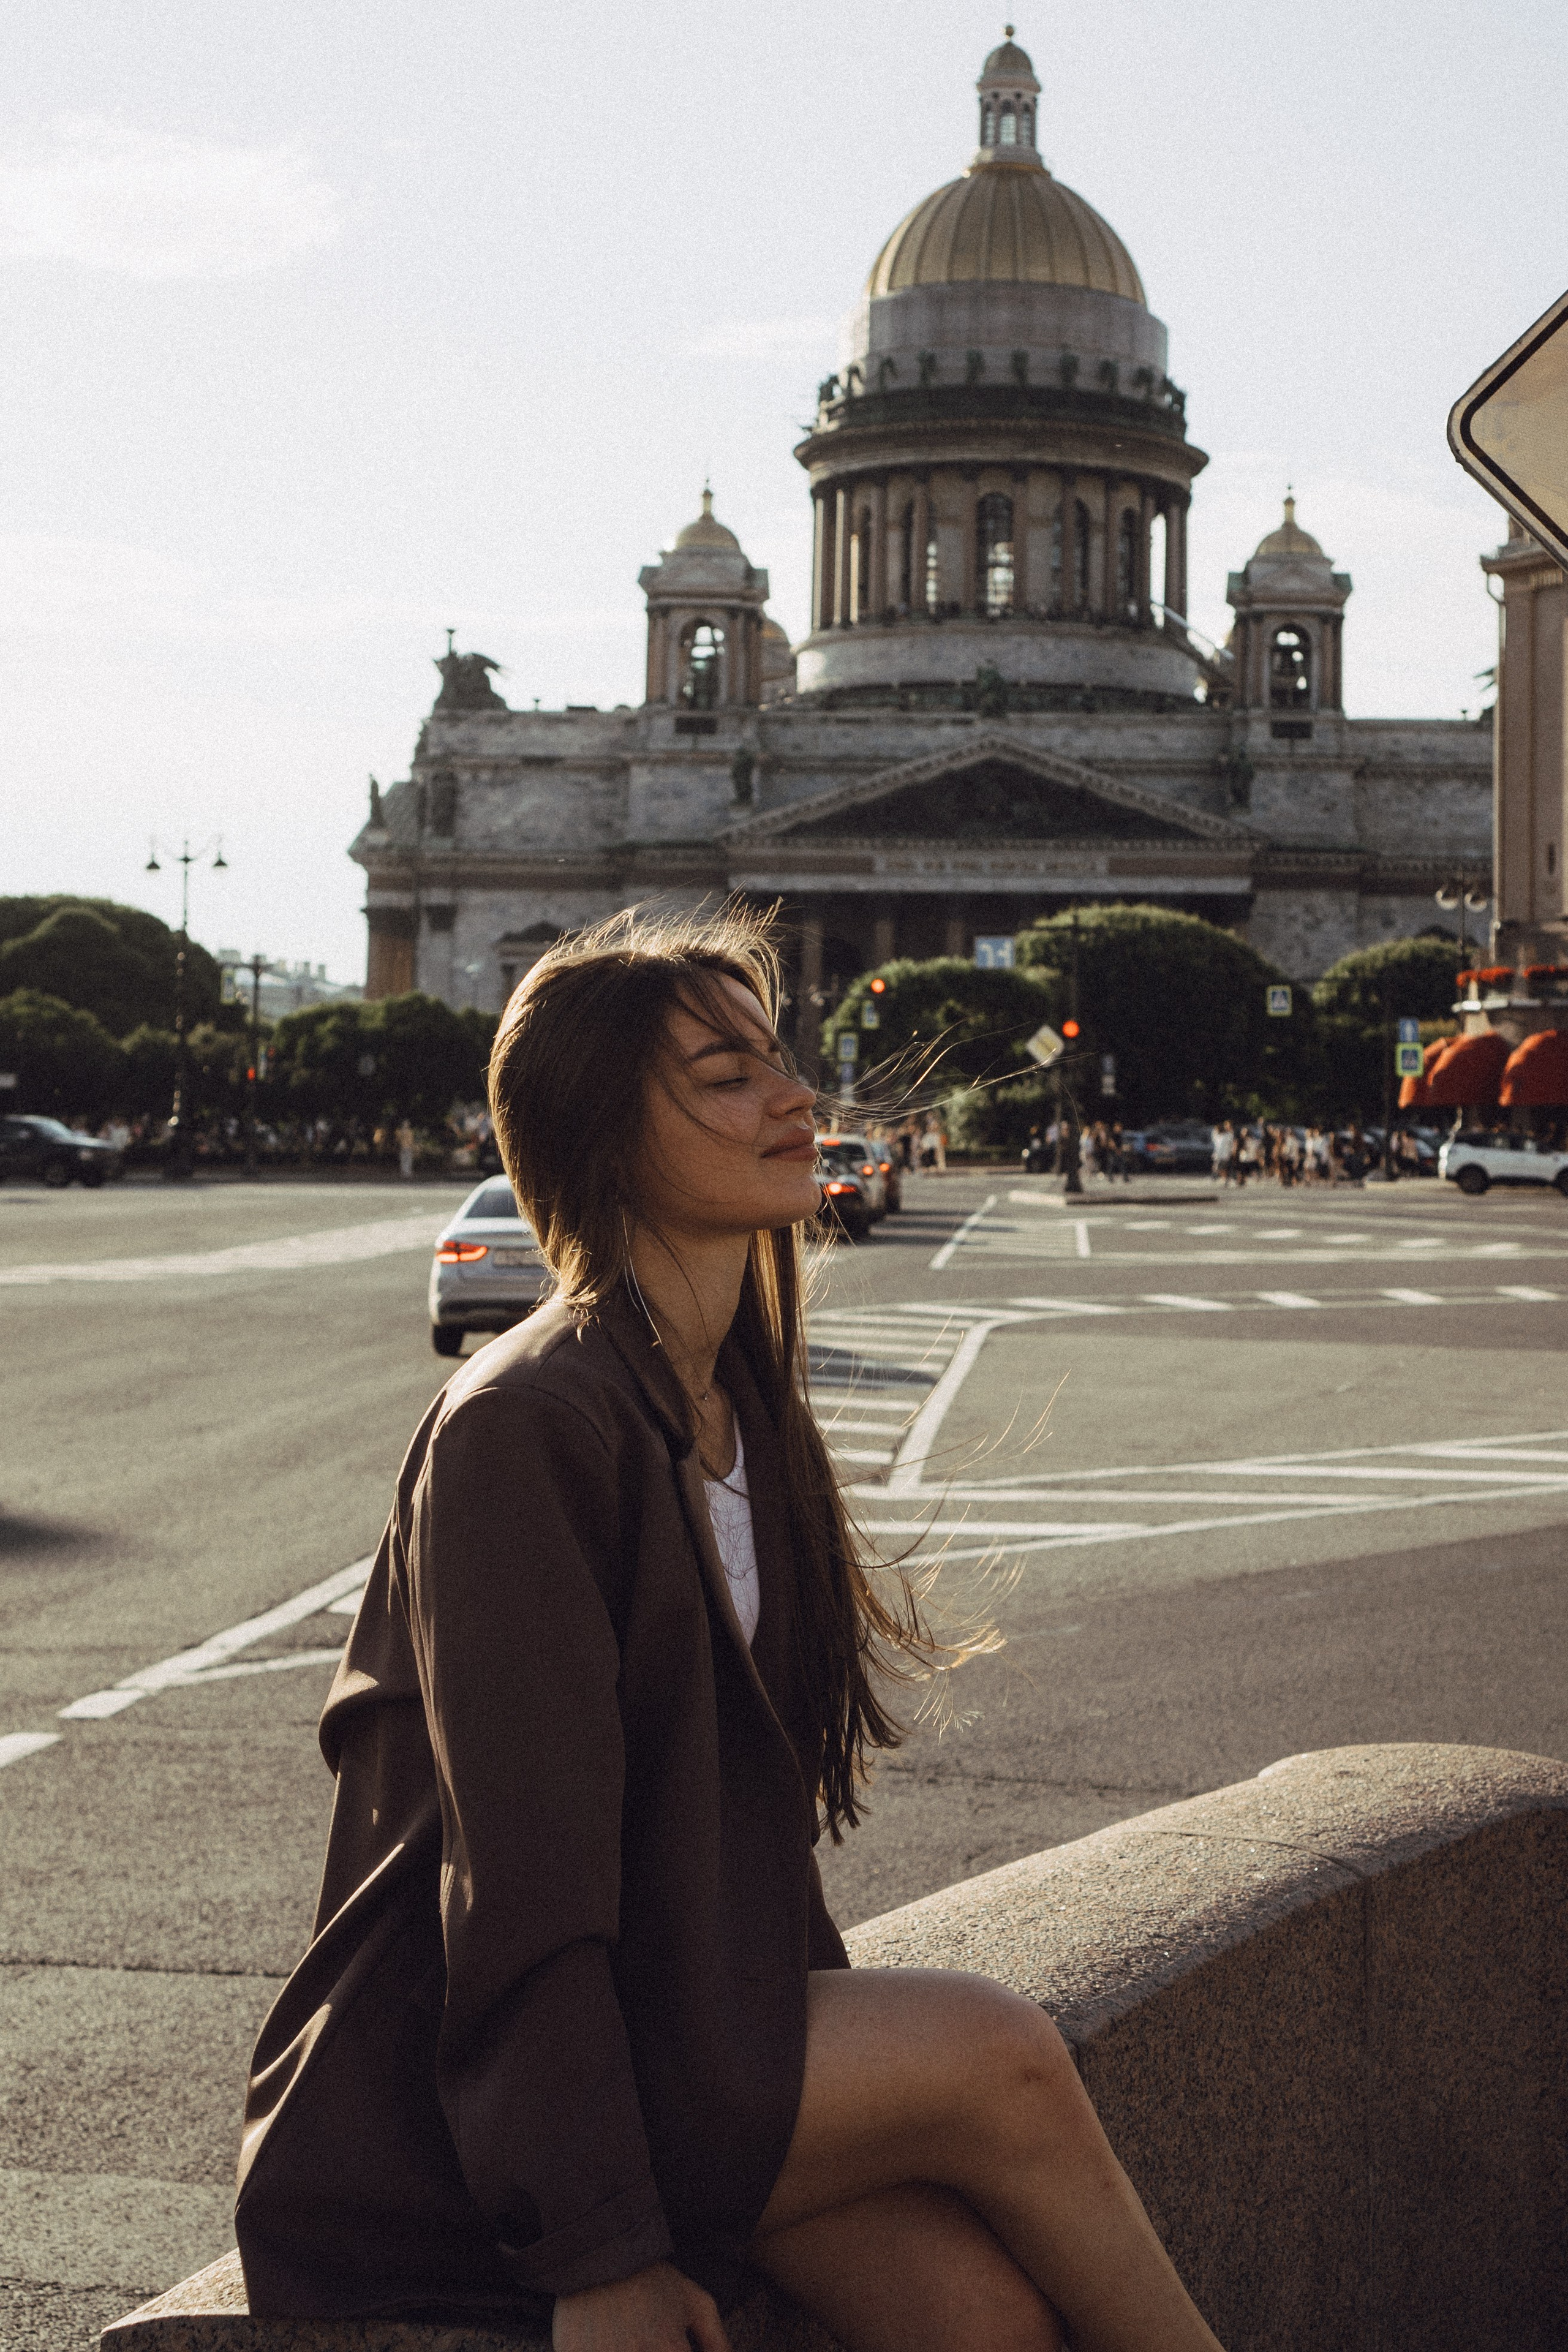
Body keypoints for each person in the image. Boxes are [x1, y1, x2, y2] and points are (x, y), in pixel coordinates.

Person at [235, 907, 1223, 2352]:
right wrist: (597, 2250)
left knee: (977, 2319)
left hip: (670, 2030)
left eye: (775, 1059)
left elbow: (733, 1824)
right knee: (999, 2058)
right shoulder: (522, 1424)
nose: (794, 1096)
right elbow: (516, 1878)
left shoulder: (734, 1398)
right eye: (724, 1074)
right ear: (599, 1129)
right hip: (457, 2107)